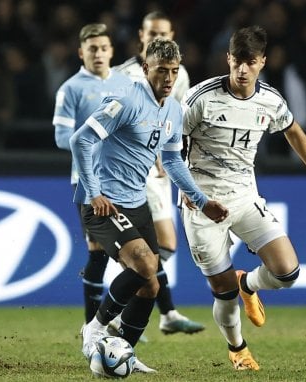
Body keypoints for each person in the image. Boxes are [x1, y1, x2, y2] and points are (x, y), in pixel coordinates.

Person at [180, 26, 306, 371]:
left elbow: (292, 129)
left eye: (250, 62)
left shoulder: (270, 100)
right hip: (202, 205)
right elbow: (169, 145)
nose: (242, 69)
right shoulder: (199, 98)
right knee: (222, 290)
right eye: (237, 61)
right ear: (228, 59)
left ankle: (247, 282)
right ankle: (238, 350)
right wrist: (189, 191)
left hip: (245, 198)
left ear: (262, 62)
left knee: (287, 272)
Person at [72, 38, 229, 374]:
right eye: (161, 71)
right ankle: (95, 328)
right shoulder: (126, 98)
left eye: (174, 71)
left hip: (137, 203)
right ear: (146, 69)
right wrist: (95, 191)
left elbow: (172, 160)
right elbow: (81, 139)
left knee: (151, 284)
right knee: (144, 264)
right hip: (104, 203)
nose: (169, 78)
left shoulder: (173, 108)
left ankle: (124, 351)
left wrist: (201, 201)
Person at [113, 10, 205, 336]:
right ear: (141, 34)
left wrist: (173, 159)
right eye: (152, 33)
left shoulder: (179, 75)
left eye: (163, 33)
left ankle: (148, 305)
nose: (157, 39)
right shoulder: (122, 74)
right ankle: (140, 308)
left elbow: (178, 120)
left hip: (161, 167)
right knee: (153, 248)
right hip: (132, 169)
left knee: (163, 246)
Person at [52, 23, 132, 328]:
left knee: (134, 256)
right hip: (89, 182)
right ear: (81, 52)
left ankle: (112, 321)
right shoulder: (70, 88)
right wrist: (97, 139)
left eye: (103, 48)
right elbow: (62, 137)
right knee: (99, 254)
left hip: (127, 180)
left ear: (111, 51)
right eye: (92, 48)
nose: (98, 53)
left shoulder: (126, 84)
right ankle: (95, 324)